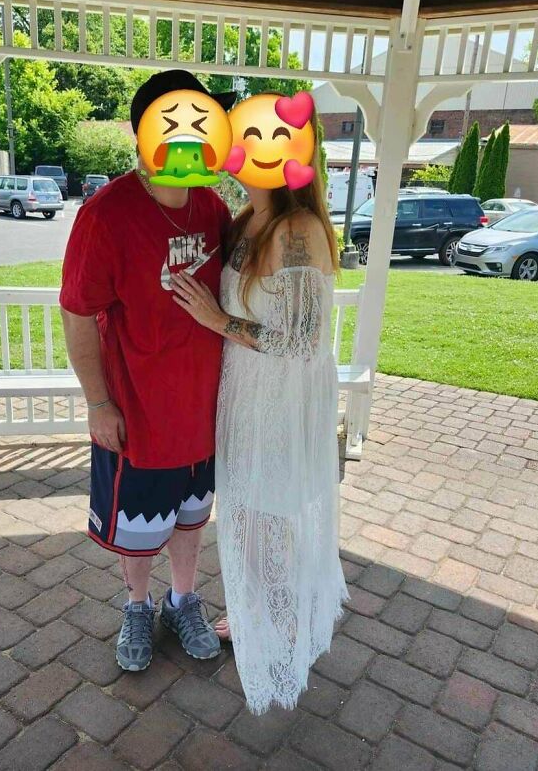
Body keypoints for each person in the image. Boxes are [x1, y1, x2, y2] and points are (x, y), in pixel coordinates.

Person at [171, 112, 349, 713]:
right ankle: (254, 610)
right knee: (244, 514)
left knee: (270, 518)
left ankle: (280, 628)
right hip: (245, 390)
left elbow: (302, 339)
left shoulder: (298, 230)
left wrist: (216, 321)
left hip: (281, 396)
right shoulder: (248, 216)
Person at [59, 69, 236, 672]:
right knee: (137, 525)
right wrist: (97, 403)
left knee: (191, 518)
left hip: (203, 412)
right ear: (142, 135)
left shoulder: (213, 207)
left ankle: (181, 599)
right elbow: (78, 313)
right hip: (136, 413)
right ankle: (137, 604)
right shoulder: (106, 214)